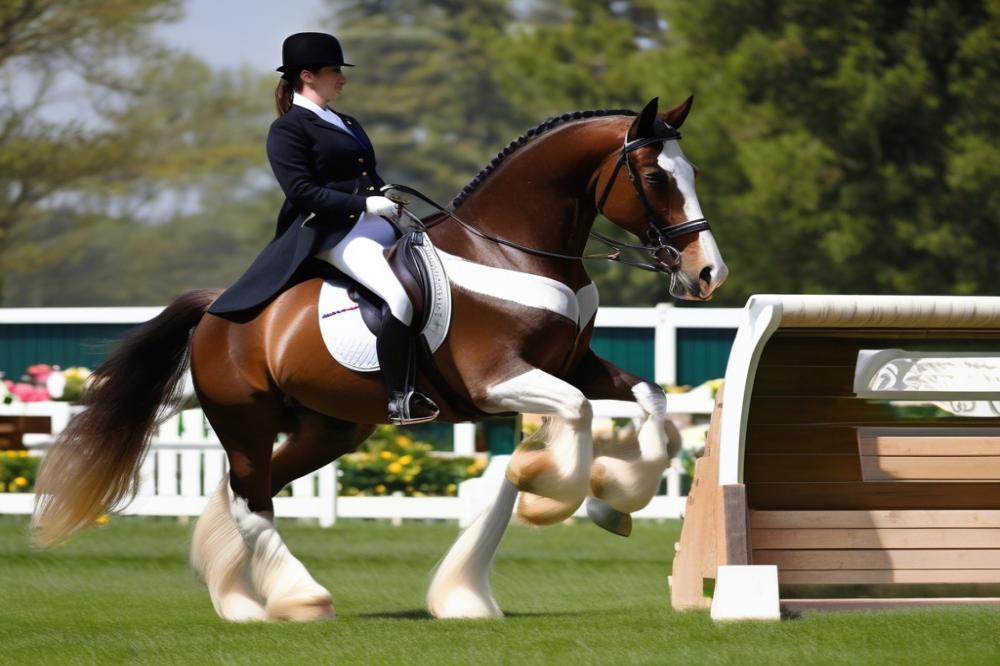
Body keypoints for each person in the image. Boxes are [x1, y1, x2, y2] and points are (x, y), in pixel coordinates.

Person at [208, 32, 439, 425]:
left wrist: (386, 195)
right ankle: (400, 396)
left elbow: (365, 175)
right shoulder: (288, 129)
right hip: (332, 233)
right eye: (335, 71)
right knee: (399, 296)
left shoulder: (346, 121)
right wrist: (364, 203)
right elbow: (302, 192)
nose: (342, 78)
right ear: (307, 76)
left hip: (373, 221)